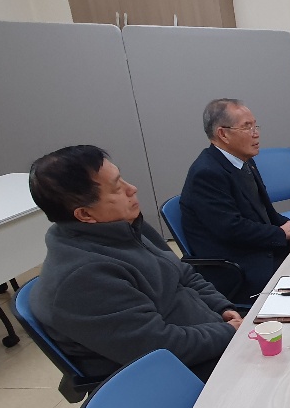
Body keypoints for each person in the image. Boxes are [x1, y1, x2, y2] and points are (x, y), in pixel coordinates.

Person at [27, 145, 242, 381]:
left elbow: (183, 273)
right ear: (85, 215)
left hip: (209, 337)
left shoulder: (122, 227)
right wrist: (228, 332)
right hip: (172, 372)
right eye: (117, 188)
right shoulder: (83, 279)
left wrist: (222, 308)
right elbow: (161, 347)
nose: (132, 189)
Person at [179, 99, 290, 297]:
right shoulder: (207, 173)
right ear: (223, 134)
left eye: (255, 126)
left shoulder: (244, 162)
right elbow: (232, 229)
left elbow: (265, 211)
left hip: (257, 250)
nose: (256, 133)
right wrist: (280, 234)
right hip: (237, 267)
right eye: (247, 127)